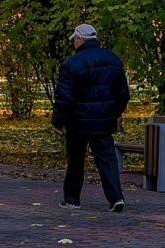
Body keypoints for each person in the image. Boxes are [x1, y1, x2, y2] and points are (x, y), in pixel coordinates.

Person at [52, 23, 130, 212]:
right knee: (107, 159)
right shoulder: (112, 60)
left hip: (77, 122)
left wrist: (58, 121)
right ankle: (116, 197)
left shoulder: (72, 64)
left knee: (76, 161)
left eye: (75, 40)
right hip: (104, 121)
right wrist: (114, 112)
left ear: (80, 40)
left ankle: (72, 199)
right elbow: (123, 93)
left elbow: (65, 98)